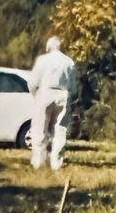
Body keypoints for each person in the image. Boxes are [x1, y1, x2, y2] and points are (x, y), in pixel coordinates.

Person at [28, 36, 78, 170]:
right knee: (60, 130)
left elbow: (32, 82)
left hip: (45, 92)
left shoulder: (42, 60)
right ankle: (57, 163)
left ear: (48, 47)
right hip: (62, 94)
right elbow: (73, 86)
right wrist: (71, 96)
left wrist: (35, 95)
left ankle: (39, 162)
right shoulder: (69, 62)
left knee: (40, 129)